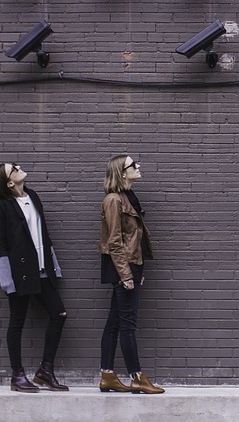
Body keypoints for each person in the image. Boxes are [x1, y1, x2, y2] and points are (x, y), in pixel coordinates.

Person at [0, 162, 69, 392]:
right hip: (19, 274)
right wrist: (7, 281)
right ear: (9, 182)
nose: (18, 167)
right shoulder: (1, 208)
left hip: (42, 270)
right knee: (17, 322)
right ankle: (17, 375)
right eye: (13, 168)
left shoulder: (33, 196)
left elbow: (43, 234)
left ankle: (45, 370)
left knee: (59, 314)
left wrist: (54, 266)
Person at [97, 154, 164, 395]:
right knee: (128, 325)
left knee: (115, 323)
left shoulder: (128, 196)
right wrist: (126, 274)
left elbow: (134, 240)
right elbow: (114, 242)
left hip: (129, 266)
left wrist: (138, 269)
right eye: (133, 165)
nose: (138, 166)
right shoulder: (114, 200)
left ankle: (107, 375)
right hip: (122, 268)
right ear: (121, 172)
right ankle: (137, 377)